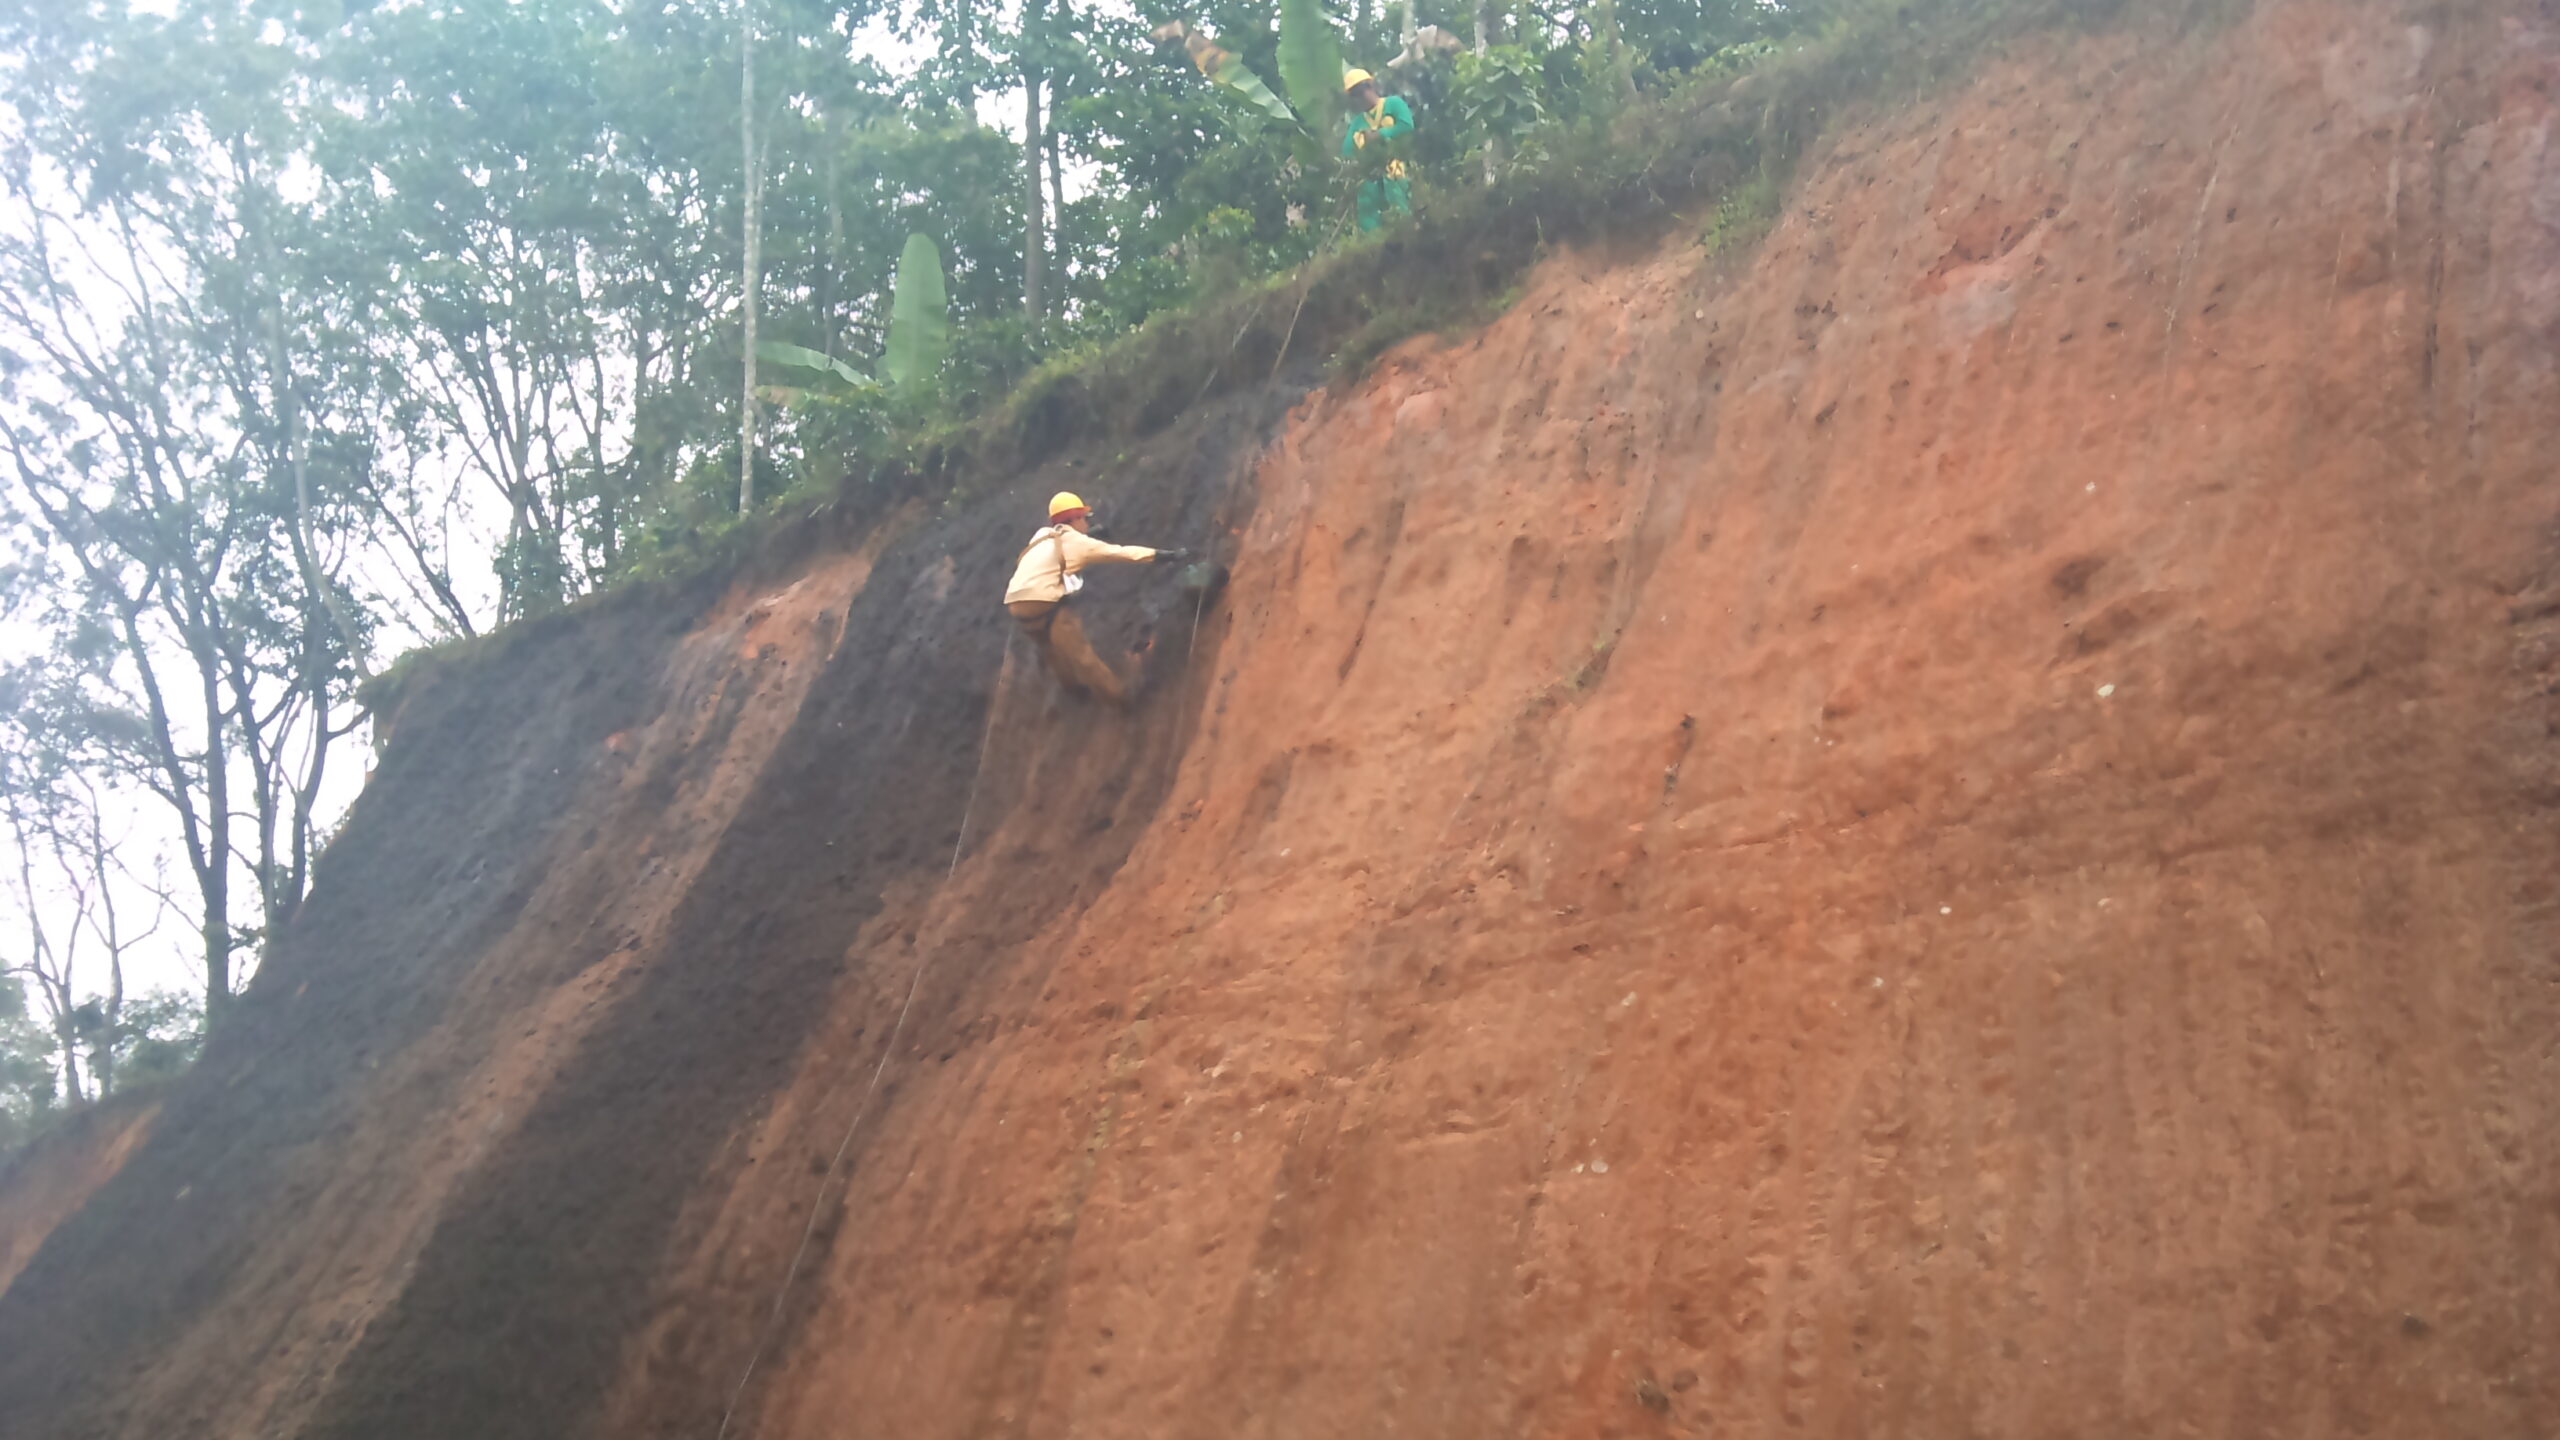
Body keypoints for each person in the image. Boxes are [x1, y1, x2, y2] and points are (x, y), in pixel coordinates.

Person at [1004, 491, 1190, 704]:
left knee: (1050, 647)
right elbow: (1123, 553)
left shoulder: (1042, 535)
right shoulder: (1080, 544)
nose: (1086, 523)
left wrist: (1090, 535)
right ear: (1075, 519)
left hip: (1016, 604)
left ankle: (1072, 689)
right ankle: (1121, 699)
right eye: (1084, 518)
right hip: (1043, 602)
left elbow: (1065, 545)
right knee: (1083, 656)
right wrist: (1166, 555)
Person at [1341, 68, 1416, 233]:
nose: (1360, 97)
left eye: (1361, 90)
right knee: (1369, 211)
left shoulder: (1393, 104)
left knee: (1401, 209)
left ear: (1371, 86)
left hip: (1397, 169)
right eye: (1354, 95)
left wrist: (1380, 134)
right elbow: (1347, 151)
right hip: (1371, 178)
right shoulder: (1358, 123)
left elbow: (1407, 126)